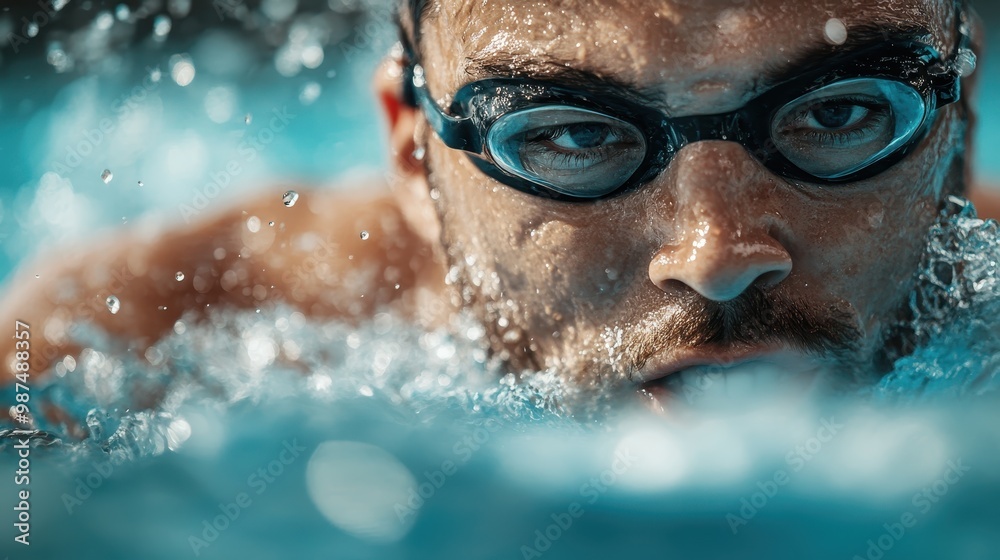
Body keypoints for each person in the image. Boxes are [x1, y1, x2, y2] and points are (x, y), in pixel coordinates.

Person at [1, 0, 996, 408]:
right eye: (574, 135)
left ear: (958, 117)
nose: (716, 254)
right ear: (411, 152)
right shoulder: (121, 348)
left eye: (840, 113)